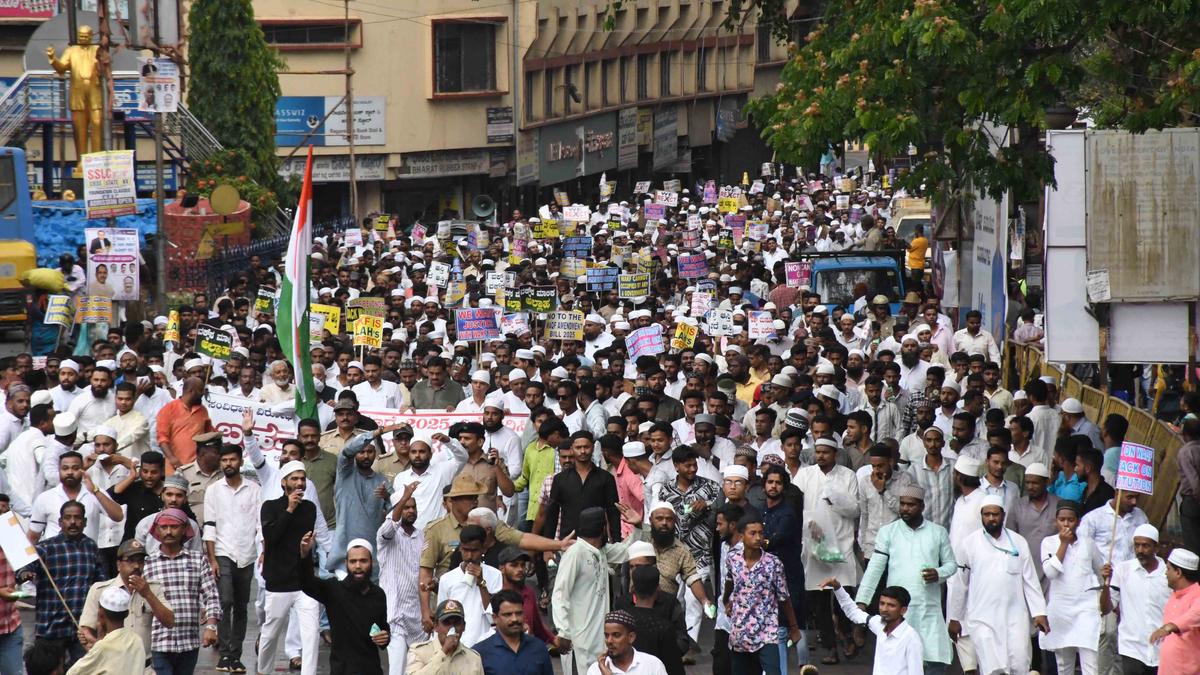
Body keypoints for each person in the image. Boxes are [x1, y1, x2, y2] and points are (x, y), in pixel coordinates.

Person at [854, 485, 957, 673]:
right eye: (903, 504)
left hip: (928, 609)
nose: (905, 509)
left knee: (933, 660)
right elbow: (874, 569)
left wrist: (938, 573)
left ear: (922, 506)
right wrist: (861, 602)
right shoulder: (888, 532)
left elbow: (952, 565)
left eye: (911, 505)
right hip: (898, 612)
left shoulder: (937, 532)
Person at [948, 496, 1050, 675]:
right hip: (982, 617)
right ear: (981, 516)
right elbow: (960, 584)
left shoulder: (1018, 543)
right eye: (986, 514)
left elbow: (1030, 581)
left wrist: (1039, 612)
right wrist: (955, 617)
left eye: (995, 514)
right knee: (994, 669)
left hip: (1015, 616)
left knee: (1019, 664)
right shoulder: (969, 544)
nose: (991, 518)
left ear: (1003, 515)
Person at [552, 504, 645, 674]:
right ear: (603, 528)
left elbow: (627, 551)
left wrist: (637, 526)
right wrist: (563, 632)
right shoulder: (575, 553)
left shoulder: (601, 551)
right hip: (578, 641)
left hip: (599, 639)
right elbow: (559, 594)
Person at [792, 437, 860, 664]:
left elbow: (854, 510)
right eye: (818, 452)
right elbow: (795, 504)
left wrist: (834, 499)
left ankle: (847, 635)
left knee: (844, 597)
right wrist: (808, 525)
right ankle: (831, 648)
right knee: (819, 601)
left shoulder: (848, 476)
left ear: (835, 454)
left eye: (825, 452)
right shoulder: (806, 474)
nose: (820, 456)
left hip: (842, 543)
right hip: (814, 545)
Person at [18, 500, 105, 667]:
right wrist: (24, 574)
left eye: (77, 518)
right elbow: (24, 566)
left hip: (81, 627)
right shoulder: (46, 547)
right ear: (60, 522)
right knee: (47, 670)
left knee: (82, 670)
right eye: (68, 518)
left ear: (85, 522)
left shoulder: (91, 547)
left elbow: (99, 585)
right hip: (51, 626)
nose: (73, 522)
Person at [258, 461, 321, 675]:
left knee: (311, 634)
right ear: (284, 482)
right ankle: (263, 670)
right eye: (294, 478)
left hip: (304, 582)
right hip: (278, 582)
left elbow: (303, 543)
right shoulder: (270, 507)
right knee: (270, 633)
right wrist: (290, 509)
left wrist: (306, 549)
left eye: (302, 478)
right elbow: (272, 537)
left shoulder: (310, 509)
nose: (300, 483)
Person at [202, 443, 261, 673]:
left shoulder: (254, 489)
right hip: (223, 553)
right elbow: (209, 526)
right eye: (224, 460)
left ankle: (235, 655)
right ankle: (225, 653)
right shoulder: (213, 490)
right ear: (220, 462)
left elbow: (259, 525)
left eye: (232, 460)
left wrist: (262, 551)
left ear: (240, 461)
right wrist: (212, 559)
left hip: (247, 555)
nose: (228, 464)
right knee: (225, 601)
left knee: (241, 606)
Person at [142, 507, 221, 675]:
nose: (169, 532)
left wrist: (211, 627)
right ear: (156, 531)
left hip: (189, 642)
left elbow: (211, 595)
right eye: (164, 527)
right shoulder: (147, 564)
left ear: (185, 529)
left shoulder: (198, 560)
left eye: (174, 527)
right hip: (158, 643)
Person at [297, 534, 390, 675]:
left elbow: (382, 630)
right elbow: (306, 583)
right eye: (353, 562)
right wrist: (305, 555)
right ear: (346, 564)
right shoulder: (334, 590)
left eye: (363, 561)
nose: (358, 566)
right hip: (342, 669)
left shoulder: (378, 595)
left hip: (371, 669)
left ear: (371, 562)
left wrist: (385, 637)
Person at [722, 515, 802, 674]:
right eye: (752, 533)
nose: (758, 537)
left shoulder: (773, 563)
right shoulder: (733, 559)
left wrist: (794, 628)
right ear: (741, 536)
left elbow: (784, 598)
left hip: (767, 631)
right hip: (740, 630)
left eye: (761, 533)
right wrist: (727, 601)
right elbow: (730, 582)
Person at [1040, 501, 1106, 675]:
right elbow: (1050, 573)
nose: (1066, 524)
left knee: (1091, 664)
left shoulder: (1088, 543)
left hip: (1086, 609)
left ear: (1078, 521)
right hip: (1061, 611)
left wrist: (1106, 573)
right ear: (1056, 521)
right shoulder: (1048, 542)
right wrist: (1063, 544)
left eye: (1070, 520)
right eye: (1062, 520)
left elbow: (1100, 571)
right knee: (1064, 665)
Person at [79, 538, 174, 657]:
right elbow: (85, 630)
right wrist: (95, 646)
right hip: (112, 666)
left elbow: (170, 622)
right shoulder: (100, 590)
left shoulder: (153, 588)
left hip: (143, 667)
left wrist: (147, 594)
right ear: (118, 565)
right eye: (130, 561)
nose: (136, 566)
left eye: (140, 561)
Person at [1102, 524, 1170, 675]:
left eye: (1145, 546)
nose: (1140, 550)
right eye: (1137, 545)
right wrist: (1105, 584)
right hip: (1132, 647)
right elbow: (1106, 608)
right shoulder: (1123, 570)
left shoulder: (1168, 574)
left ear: (1156, 548)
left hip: (1163, 647)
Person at [823, 577, 924, 675]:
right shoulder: (878, 624)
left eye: (891, 605)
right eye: (882, 603)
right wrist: (837, 588)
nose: (884, 609)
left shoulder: (911, 638)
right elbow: (853, 612)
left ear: (903, 610)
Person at [376, 481, 423, 675]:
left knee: (416, 668)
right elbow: (389, 528)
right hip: (395, 613)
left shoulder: (421, 535)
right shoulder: (386, 535)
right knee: (397, 669)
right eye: (406, 507)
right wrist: (403, 497)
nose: (410, 511)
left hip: (417, 614)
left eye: (413, 507)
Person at [436, 524, 503, 647]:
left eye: (474, 551)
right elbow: (442, 618)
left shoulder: (495, 575)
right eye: (466, 550)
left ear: (483, 549)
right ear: (460, 548)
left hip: (485, 642)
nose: (469, 556)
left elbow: (494, 617)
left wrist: (481, 583)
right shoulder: (447, 579)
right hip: (458, 644)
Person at [65, 586, 147, 675]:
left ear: (101, 614)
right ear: (127, 614)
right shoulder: (137, 640)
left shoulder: (102, 647)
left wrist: (97, 645)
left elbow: (72, 673)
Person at [474, 589, 555, 675]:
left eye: (519, 613)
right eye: (508, 615)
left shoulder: (539, 648)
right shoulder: (480, 653)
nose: (515, 619)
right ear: (495, 618)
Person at [1149, 547, 1200, 674]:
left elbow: (1196, 614)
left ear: (1178, 572)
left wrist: (1170, 627)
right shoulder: (1174, 596)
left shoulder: (1197, 594)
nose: (1165, 573)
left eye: (1168, 569)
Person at [405, 599, 485, 675]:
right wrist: (443, 651)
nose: (452, 628)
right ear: (436, 626)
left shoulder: (474, 659)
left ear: (463, 626)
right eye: (446, 623)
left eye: (457, 623)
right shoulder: (419, 652)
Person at [585, 610, 670, 675]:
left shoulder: (653, 665)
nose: (609, 641)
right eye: (606, 635)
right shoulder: (596, 670)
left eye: (616, 635)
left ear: (631, 637)